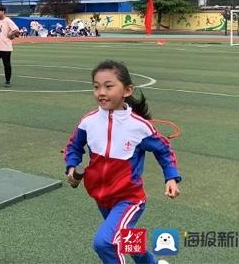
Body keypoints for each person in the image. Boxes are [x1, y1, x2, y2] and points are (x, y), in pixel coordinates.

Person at [64, 60, 181, 264]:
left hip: (129, 198)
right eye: (96, 86)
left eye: (109, 86)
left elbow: (163, 150)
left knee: (104, 243)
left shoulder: (139, 126)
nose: (101, 92)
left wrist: (171, 177)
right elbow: (74, 146)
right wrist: (72, 167)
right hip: (101, 196)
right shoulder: (88, 122)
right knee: (127, 238)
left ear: (127, 90)